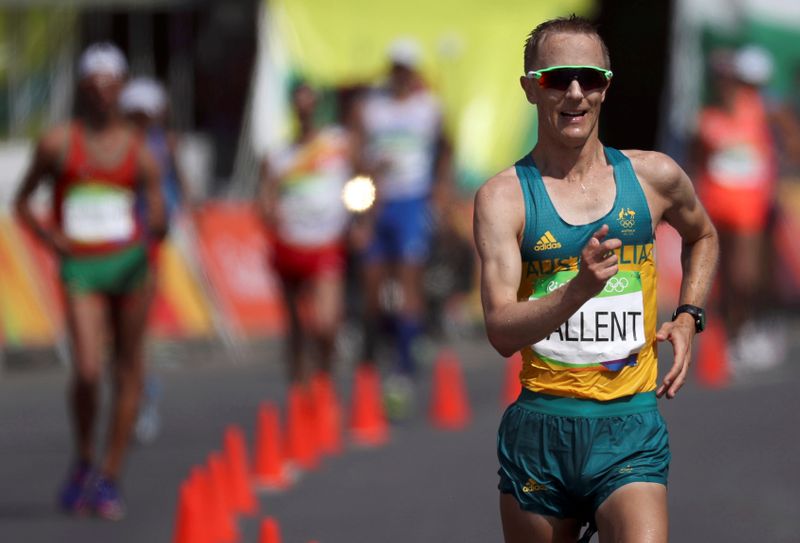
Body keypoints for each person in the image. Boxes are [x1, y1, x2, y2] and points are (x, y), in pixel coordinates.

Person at [473, 16, 718, 543]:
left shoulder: (654, 177)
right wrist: (576, 291)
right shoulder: (504, 198)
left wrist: (687, 315)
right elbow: (500, 331)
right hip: (541, 432)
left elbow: (704, 236)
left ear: (607, 87)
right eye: (558, 79)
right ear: (530, 88)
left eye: (591, 78)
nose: (576, 93)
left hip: (630, 428)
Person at [14, 43, 165, 520]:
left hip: (130, 266)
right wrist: (48, 236)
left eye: (110, 85)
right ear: (82, 89)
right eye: (93, 85)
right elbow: (21, 201)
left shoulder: (139, 153)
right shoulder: (58, 143)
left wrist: (154, 231)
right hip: (81, 266)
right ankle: (84, 457)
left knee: (128, 369)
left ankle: (110, 474)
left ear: (121, 89)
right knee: (86, 370)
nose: (102, 93)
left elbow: (160, 210)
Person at [353, 38, 453, 418]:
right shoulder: (371, 108)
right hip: (377, 201)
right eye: (395, 67)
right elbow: (355, 151)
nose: (400, 75)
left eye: (406, 68)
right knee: (372, 287)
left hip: (412, 201)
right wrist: (365, 171)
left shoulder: (429, 107)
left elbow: (446, 146)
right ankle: (379, 350)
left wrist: (440, 188)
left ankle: (402, 368)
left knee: (409, 280)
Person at [693, 46, 785, 374]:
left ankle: (746, 330)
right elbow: (697, 161)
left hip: (751, 208)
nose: (728, 86)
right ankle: (733, 337)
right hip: (718, 207)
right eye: (723, 80)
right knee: (727, 276)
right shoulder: (706, 118)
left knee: (748, 275)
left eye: (732, 80)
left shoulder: (761, 109)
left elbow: (786, 139)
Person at [258, 82, 353, 385]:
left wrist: (363, 218)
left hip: (326, 242)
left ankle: (323, 376)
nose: (305, 110)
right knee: (296, 325)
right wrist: (268, 210)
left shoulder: (337, 143)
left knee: (326, 325)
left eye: (310, 103)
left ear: (318, 106)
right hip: (289, 243)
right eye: (299, 104)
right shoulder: (278, 155)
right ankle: (298, 388)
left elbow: (364, 175)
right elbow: (265, 197)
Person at [119, 76, 193, 444]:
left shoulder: (164, 144)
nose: (142, 121)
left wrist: (183, 211)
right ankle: (134, 391)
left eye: (147, 114)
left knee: (134, 331)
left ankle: (141, 396)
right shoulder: (114, 147)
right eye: (135, 114)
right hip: (111, 244)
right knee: (115, 336)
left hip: (147, 244)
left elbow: (180, 183)